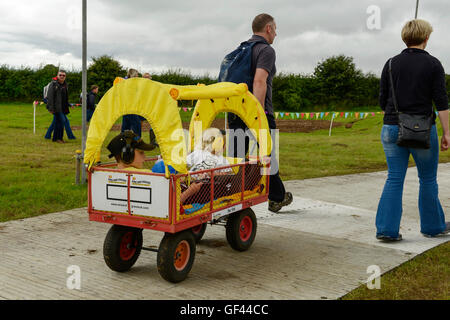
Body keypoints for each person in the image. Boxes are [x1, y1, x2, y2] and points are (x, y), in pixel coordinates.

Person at [376, 19, 450, 241]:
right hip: (423, 129)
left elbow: (382, 100)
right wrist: (447, 132)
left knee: (394, 178)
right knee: (427, 179)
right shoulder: (434, 64)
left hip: (391, 127)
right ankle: (432, 227)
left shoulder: (390, 63)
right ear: (426, 38)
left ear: (405, 38)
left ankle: (386, 230)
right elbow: (441, 102)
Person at [227, 13, 292, 213]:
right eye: (276, 29)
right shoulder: (266, 50)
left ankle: (230, 197)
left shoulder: (239, 50)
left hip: (235, 112)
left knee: (236, 158)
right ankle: (277, 198)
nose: (276, 34)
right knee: (267, 157)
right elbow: (259, 81)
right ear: (268, 29)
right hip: (256, 113)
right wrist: (259, 114)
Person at [46, 70, 71, 143]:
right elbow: (50, 97)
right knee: (62, 121)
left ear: (65, 77)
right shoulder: (53, 84)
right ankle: (59, 138)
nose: (62, 76)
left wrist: (68, 104)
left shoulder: (65, 84)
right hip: (56, 108)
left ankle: (55, 138)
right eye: (60, 75)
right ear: (57, 76)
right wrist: (51, 108)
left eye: (64, 75)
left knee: (58, 122)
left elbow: (65, 97)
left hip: (63, 108)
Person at [121, 68, 146, 138]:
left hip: (127, 108)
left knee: (126, 127)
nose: (138, 76)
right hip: (130, 107)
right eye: (137, 75)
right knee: (137, 124)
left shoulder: (126, 82)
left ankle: (122, 143)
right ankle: (137, 142)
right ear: (133, 75)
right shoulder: (128, 83)